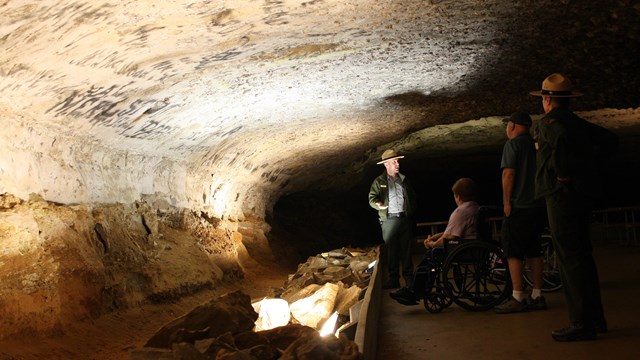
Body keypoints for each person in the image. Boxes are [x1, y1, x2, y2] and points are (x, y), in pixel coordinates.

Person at [530, 73, 618, 341]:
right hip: (580, 196)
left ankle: (580, 323)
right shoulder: (578, 123)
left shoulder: (548, 122)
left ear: (546, 100)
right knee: (583, 258)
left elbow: (560, 142)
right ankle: (595, 319)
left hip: (560, 197)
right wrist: (587, 172)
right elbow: (609, 140)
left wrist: (564, 173)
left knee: (569, 260)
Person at [389, 178, 479, 305]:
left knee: (432, 255)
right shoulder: (474, 207)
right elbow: (450, 232)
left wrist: (432, 244)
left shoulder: (461, 212)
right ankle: (414, 289)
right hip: (470, 247)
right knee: (434, 253)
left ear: (457, 196)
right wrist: (434, 238)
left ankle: (414, 290)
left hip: (462, 250)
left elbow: (449, 238)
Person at [494, 112, 548, 314]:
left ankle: (518, 296)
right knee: (535, 250)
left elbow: (509, 174)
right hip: (538, 206)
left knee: (513, 251)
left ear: (513, 125)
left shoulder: (513, 145)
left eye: (507, 125)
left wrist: (507, 202)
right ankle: (538, 294)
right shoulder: (537, 145)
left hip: (519, 207)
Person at [369, 149, 417, 289]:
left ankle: (408, 278)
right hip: (389, 220)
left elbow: (412, 197)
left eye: (397, 161)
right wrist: (378, 204)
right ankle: (393, 279)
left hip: (403, 218)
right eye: (394, 162)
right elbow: (372, 198)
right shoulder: (379, 181)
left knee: (406, 250)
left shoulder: (403, 180)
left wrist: (410, 210)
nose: (397, 164)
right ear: (386, 165)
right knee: (392, 251)